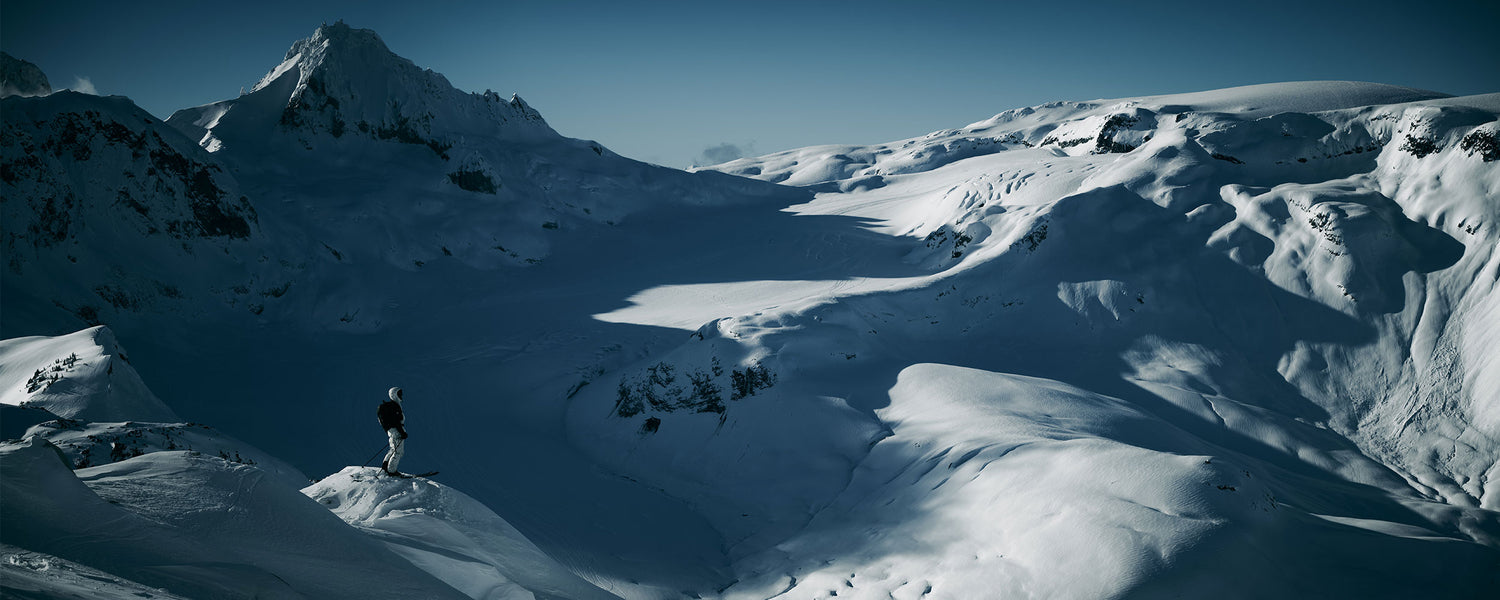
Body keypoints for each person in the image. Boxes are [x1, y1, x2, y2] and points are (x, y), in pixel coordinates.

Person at [377, 386, 407, 476]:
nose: (401, 396)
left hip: (392, 430)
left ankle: (385, 466)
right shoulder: (394, 407)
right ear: (394, 395)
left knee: (393, 449)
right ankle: (391, 471)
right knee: (398, 451)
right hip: (396, 430)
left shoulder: (393, 406)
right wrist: (402, 432)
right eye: (399, 394)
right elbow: (396, 421)